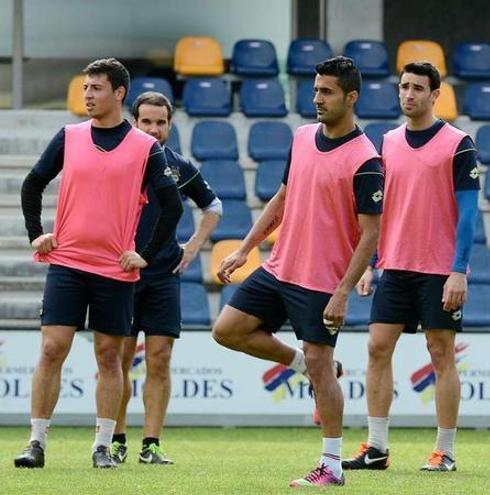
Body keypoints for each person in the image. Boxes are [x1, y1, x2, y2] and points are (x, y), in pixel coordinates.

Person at [211, 56, 383, 488]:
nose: (317, 99)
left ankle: (332, 465)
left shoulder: (366, 159)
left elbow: (370, 234)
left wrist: (343, 291)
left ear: (351, 97)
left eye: (327, 92)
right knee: (227, 329)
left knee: (323, 367)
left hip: (322, 282)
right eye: (315, 90)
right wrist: (246, 248)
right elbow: (282, 199)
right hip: (279, 266)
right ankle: (298, 362)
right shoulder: (303, 137)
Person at [14, 58, 182, 469]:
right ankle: (36, 442)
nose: (87, 95)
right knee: (52, 348)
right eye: (85, 87)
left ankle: (103, 445)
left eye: (96, 88)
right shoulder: (69, 135)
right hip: (67, 263)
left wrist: (144, 252)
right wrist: (37, 232)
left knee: (110, 356)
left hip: (115, 270)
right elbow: (33, 182)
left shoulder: (145, 147)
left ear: (119, 93)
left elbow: (172, 205)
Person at [341, 61, 479, 473]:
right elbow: (376, 211)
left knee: (441, 354)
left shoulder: (459, 143)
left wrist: (460, 269)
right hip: (395, 266)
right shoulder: (386, 142)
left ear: (435, 95)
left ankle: (445, 451)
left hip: (440, 269)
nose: (409, 94)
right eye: (404, 87)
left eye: (418, 88)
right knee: (376, 347)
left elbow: (469, 213)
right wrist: (368, 263)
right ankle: (377, 448)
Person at [110, 91, 223, 466]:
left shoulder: (178, 166)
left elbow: (213, 206)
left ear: (170, 125)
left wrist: (192, 247)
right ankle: (116, 440)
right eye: (147, 122)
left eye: (161, 123)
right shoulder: (119, 161)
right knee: (119, 360)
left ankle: (151, 444)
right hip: (122, 273)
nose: (155, 130)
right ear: (134, 122)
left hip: (163, 275)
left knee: (159, 359)